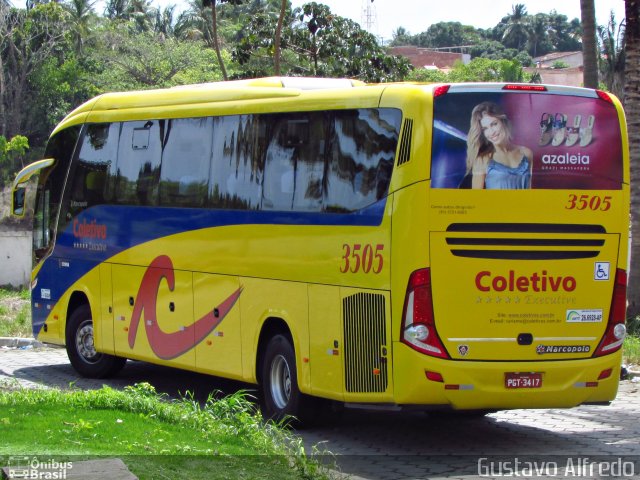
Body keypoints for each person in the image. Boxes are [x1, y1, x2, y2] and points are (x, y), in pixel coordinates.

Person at [465, 102, 533, 189]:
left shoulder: (526, 153)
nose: (492, 132)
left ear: (503, 121)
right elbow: (476, 198)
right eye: (485, 129)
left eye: (494, 124)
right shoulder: (482, 160)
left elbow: (531, 191)